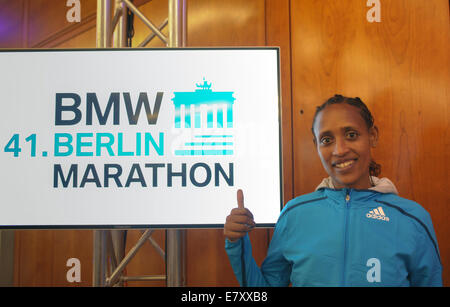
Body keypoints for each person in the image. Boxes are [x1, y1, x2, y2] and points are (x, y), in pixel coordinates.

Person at [224, 94, 442, 286]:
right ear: (317, 146)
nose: (339, 150)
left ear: (372, 136)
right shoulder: (294, 215)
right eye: (326, 140)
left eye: (351, 135)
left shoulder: (412, 219)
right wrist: (237, 244)